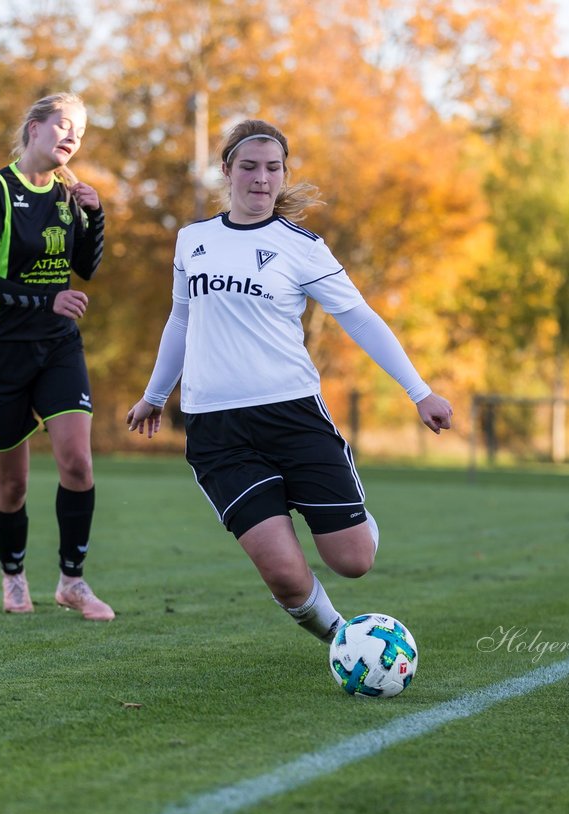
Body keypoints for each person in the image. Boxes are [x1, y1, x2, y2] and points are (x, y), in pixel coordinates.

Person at [125, 119, 453, 643]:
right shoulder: (193, 241)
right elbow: (182, 320)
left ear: (283, 175)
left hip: (292, 415)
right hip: (217, 431)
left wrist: (419, 391)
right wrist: (154, 395)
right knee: (283, 574)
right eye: (249, 167)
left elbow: (360, 318)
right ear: (227, 170)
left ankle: (350, 515)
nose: (261, 178)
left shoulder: (301, 246)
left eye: (272, 168)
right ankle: (346, 644)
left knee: (353, 561)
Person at [0, 92, 114, 620]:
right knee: (13, 483)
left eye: (80, 131)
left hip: (56, 346)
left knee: (77, 462)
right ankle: (13, 575)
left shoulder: (71, 195)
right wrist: (45, 299)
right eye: (63, 125)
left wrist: (96, 216)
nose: (71, 137)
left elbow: (86, 269)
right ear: (33, 128)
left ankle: (72, 581)